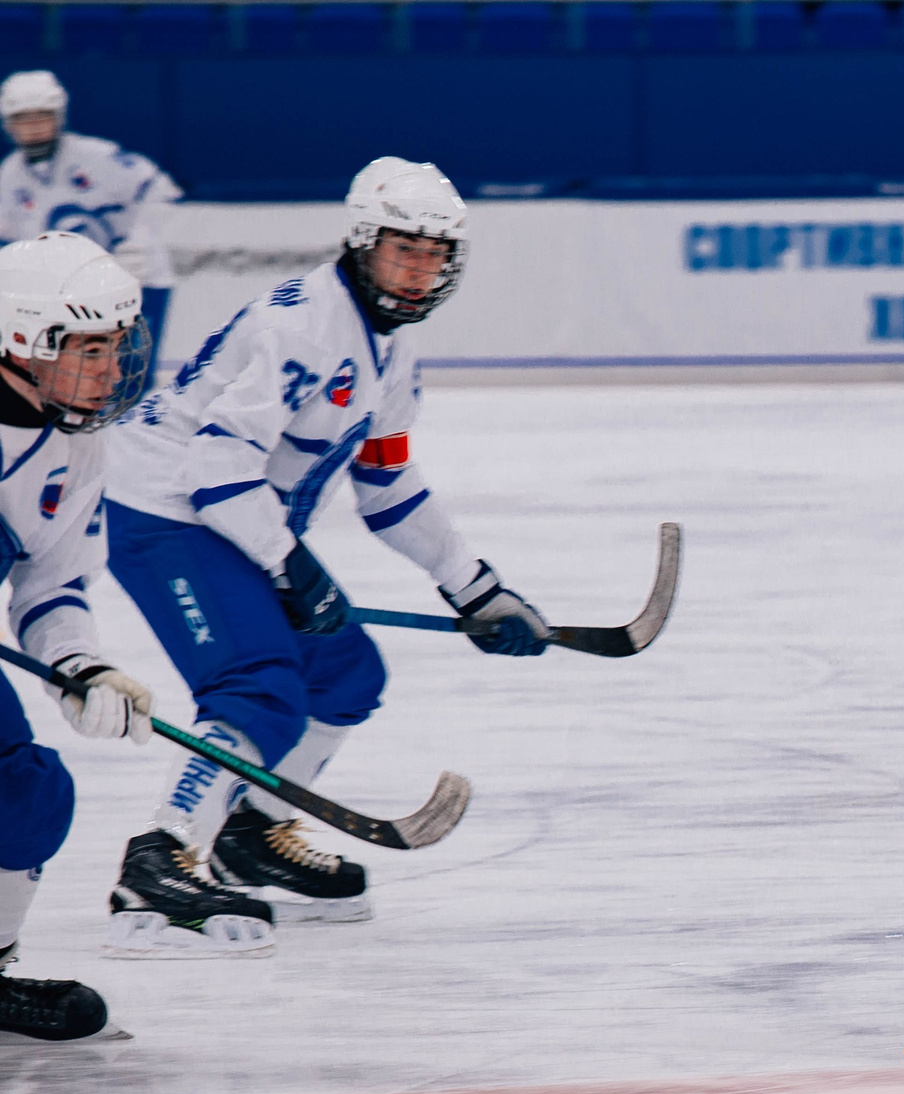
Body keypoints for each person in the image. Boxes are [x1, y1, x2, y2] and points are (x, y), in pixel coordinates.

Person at [100, 156, 552, 958]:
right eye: (402, 250)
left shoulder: (393, 348)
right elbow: (214, 469)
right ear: (361, 241)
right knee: (260, 683)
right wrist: (292, 568)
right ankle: (159, 859)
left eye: (434, 255)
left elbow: (386, 482)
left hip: (238, 516)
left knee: (346, 676)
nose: (417, 272)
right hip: (168, 509)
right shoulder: (302, 326)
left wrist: (475, 589)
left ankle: (253, 831)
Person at [0, 234, 158, 1031]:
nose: (108, 369)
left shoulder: (74, 447)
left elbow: (49, 581)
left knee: (27, 792)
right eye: (89, 350)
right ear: (24, 343)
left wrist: (79, 667)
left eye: (114, 348)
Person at [0, 71, 180, 370]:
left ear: (59, 117)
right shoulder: (9, 178)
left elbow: (160, 189)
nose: (32, 128)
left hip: (137, 282)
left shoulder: (98, 157)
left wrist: (140, 241)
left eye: (41, 117)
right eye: (22, 119)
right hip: (72, 297)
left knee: (128, 381)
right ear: (8, 124)